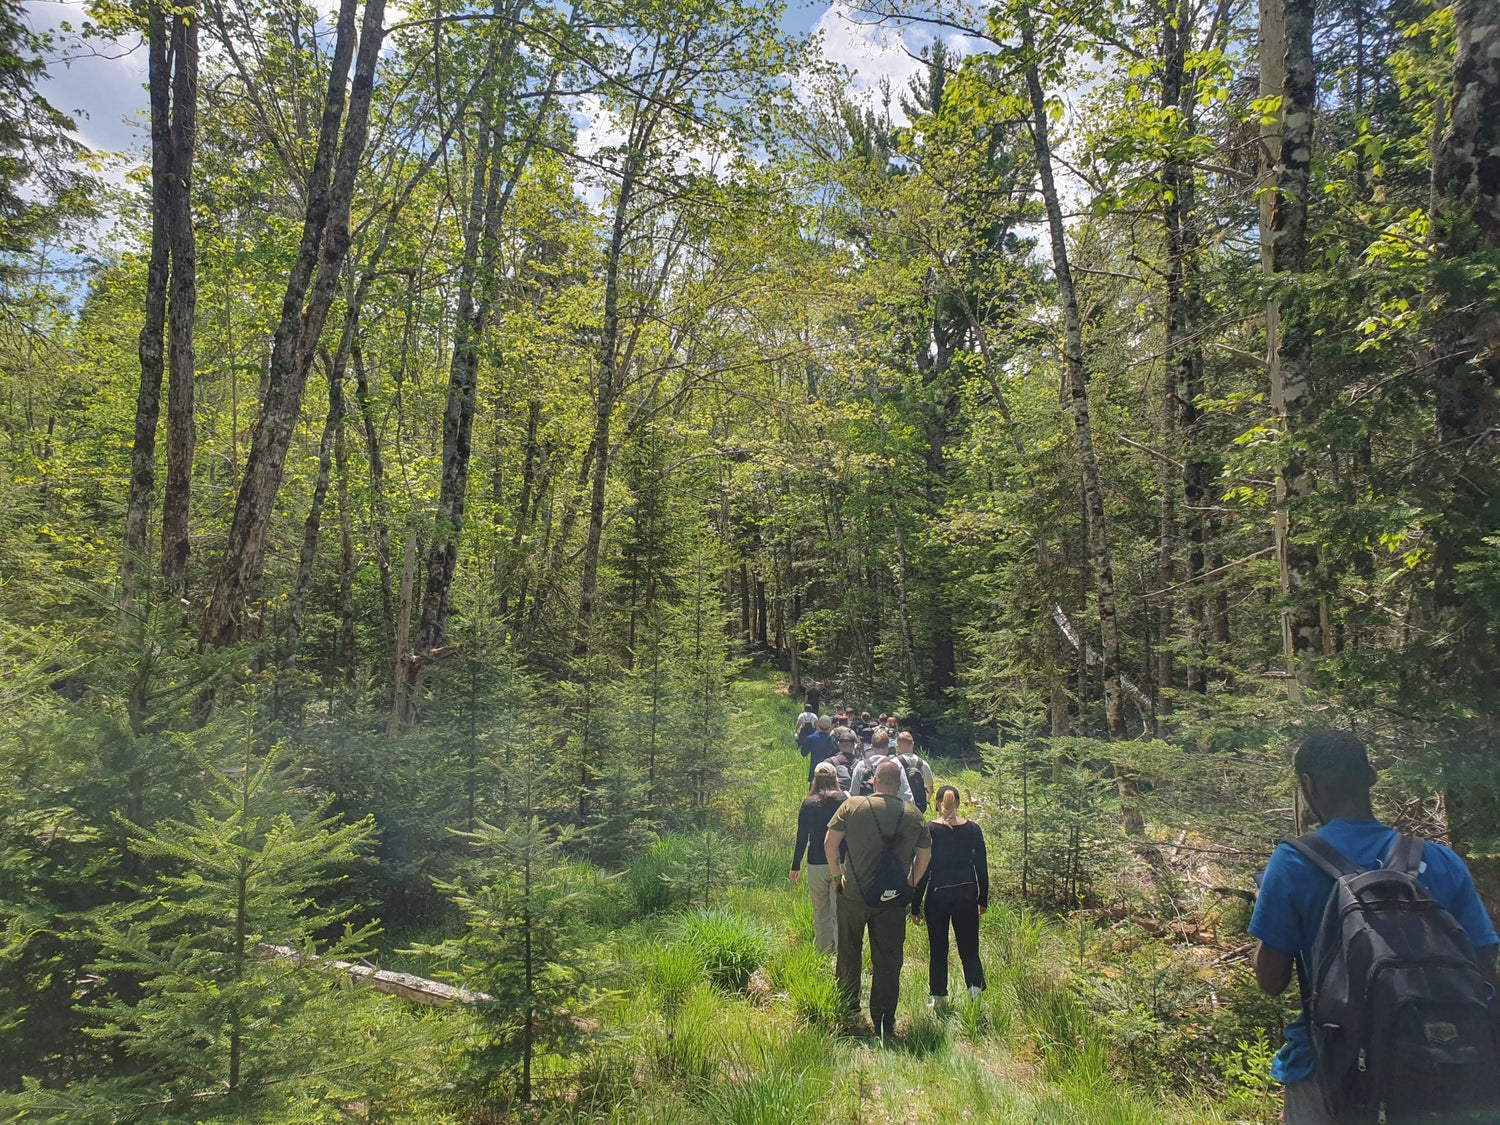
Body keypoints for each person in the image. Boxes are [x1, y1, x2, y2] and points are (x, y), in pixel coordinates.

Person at [1249, 730, 1499, 1124]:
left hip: (1329, 1070)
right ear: (1371, 776)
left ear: (1308, 786)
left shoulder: (1292, 862)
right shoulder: (1441, 860)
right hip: (1442, 1068)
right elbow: (1484, 966)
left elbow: (1271, 980)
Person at [825, 759, 931, 1038]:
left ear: (874, 782)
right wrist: (911, 882)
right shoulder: (913, 814)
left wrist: (838, 877)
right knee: (889, 960)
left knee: (849, 953)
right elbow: (925, 856)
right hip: (893, 901)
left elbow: (830, 843)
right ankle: (884, 1020)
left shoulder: (852, 806)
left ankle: (848, 1011)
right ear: (898, 786)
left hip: (853, 896)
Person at [912, 785, 988, 1006]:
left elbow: (923, 869)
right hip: (967, 895)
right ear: (958, 803)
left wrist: (915, 904)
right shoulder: (973, 829)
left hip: (938, 897)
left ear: (937, 804)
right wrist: (983, 898)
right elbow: (981, 867)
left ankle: (939, 998)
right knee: (970, 948)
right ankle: (974, 995)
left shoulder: (929, 830)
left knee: (938, 949)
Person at [791, 762, 848, 954]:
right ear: (835, 779)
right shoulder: (844, 800)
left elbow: (802, 836)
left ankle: (823, 953)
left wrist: (795, 865)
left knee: (820, 911)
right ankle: (842, 955)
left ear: (815, 780)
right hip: (840, 863)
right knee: (839, 912)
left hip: (815, 863)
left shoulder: (808, 803)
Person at [848, 731, 914, 803]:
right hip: (891, 809)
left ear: (872, 747)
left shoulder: (861, 765)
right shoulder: (895, 764)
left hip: (868, 810)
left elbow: (854, 794)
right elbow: (906, 795)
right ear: (887, 747)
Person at [819, 727, 862, 791]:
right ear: (854, 746)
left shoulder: (828, 763)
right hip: (855, 799)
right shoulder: (862, 764)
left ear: (838, 744)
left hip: (834, 799)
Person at [800, 715, 835, 784]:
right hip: (829, 774)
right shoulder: (832, 740)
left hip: (815, 773)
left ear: (818, 725)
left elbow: (803, 753)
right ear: (830, 727)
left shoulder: (811, 738)